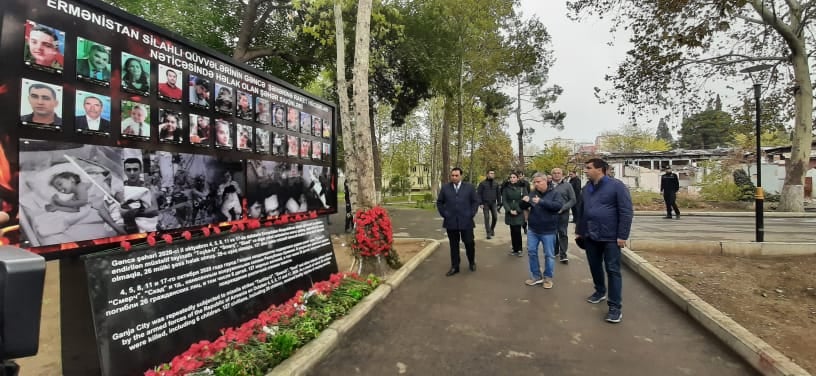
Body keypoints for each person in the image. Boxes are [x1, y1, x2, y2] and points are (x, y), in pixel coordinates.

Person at [575, 158, 633, 324]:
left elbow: (626, 212)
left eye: (588, 168)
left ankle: (615, 307)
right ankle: (600, 291)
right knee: (594, 266)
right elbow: (582, 211)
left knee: (613, 270)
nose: (585, 171)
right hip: (591, 235)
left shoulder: (617, 186)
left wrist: (622, 235)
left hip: (611, 237)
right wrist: (580, 231)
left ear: (600, 169)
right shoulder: (586, 189)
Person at [46, 171, 125, 234]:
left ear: (71, 179)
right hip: (105, 202)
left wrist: (62, 203)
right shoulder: (75, 196)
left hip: (108, 191)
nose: (60, 189)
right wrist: (58, 207)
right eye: (57, 189)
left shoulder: (80, 186)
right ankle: (118, 228)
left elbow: (83, 201)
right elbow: (75, 209)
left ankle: (127, 206)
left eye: (60, 184)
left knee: (119, 194)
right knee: (102, 212)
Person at [521, 172, 563, 289]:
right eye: (534, 182)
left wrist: (541, 202)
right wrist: (523, 202)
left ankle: (548, 278)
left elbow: (558, 206)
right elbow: (523, 207)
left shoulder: (554, 193)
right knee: (532, 252)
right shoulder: (533, 193)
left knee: (549, 255)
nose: (536, 184)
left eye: (538, 182)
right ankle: (536, 276)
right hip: (533, 229)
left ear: (545, 181)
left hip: (548, 230)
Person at [436, 167, 480, 276]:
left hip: (466, 221)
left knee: (469, 243)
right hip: (451, 222)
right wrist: (444, 214)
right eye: (452, 175)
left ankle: (471, 262)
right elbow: (440, 202)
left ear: (461, 176)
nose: (454, 177)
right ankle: (455, 267)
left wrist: (471, 213)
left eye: (456, 175)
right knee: (454, 245)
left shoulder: (469, 187)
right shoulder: (445, 188)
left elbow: (475, 201)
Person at [550, 168, 577, 263]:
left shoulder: (567, 185)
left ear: (562, 174)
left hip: (563, 214)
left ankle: (563, 254)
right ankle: (555, 251)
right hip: (551, 214)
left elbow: (573, 200)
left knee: (562, 233)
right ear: (551, 174)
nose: (556, 175)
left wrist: (564, 208)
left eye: (558, 173)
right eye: (554, 173)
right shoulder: (548, 185)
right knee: (552, 233)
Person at [502, 172, 526, 257]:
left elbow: (525, 200)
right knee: (512, 230)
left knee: (517, 230)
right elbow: (504, 200)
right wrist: (509, 210)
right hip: (510, 212)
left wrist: (518, 210)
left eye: (514, 177)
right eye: (511, 177)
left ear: (517, 178)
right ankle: (514, 248)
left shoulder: (522, 188)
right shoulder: (506, 188)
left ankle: (519, 249)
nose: (512, 179)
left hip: (518, 211)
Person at [477, 169, 501, 239]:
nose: (492, 174)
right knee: (487, 218)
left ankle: (492, 229)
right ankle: (488, 233)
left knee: (495, 217)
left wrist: (499, 203)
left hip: (493, 203)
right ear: (487, 174)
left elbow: (498, 194)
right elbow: (479, 194)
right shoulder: (482, 184)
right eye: (491, 173)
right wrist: (480, 203)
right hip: (485, 203)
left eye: (493, 173)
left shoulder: (496, 184)